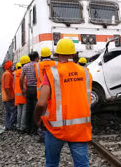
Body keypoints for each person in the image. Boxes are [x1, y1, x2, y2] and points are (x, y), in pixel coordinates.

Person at [34, 38, 92, 167]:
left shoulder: (52, 73)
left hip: (56, 128)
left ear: (57, 54)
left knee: (52, 163)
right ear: (73, 53)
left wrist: (37, 118)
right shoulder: (85, 72)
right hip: (80, 127)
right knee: (82, 164)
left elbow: (41, 103)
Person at [34, 47, 57, 142]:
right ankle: (54, 132)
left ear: (41, 56)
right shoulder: (56, 64)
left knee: (43, 113)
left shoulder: (37, 65)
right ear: (50, 55)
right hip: (54, 93)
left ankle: (42, 134)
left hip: (41, 93)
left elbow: (37, 78)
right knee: (53, 112)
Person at [20, 52, 39, 134]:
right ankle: (35, 129)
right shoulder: (38, 65)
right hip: (37, 89)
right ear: (36, 58)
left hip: (29, 89)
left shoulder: (25, 66)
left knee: (29, 109)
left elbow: (21, 79)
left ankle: (28, 129)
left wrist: (22, 89)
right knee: (36, 109)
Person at [1, 60, 17, 130]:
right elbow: (7, 87)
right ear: (10, 66)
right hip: (8, 97)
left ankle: (7, 126)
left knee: (8, 112)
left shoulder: (5, 73)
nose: (12, 66)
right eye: (11, 65)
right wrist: (10, 96)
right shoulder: (8, 74)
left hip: (5, 97)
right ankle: (10, 126)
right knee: (13, 111)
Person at [14, 61, 27, 133]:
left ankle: (18, 126)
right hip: (24, 94)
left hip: (17, 95)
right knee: (24, 112)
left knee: (19, 112)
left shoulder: (15, 73)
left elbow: (14, 84)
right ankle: (22, 127)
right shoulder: (25, 72)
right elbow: (26, 83)